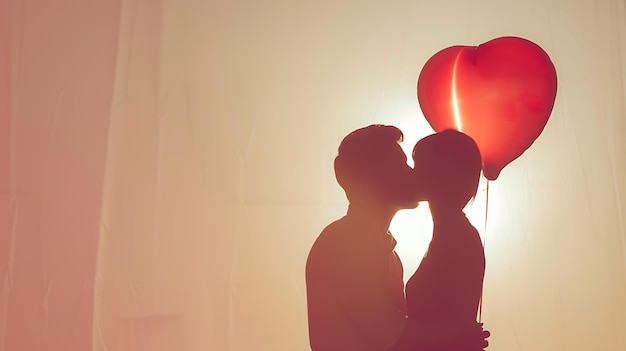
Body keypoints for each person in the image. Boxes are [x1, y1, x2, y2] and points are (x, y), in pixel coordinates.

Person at [305, 125, 489, 351]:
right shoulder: (342, 244)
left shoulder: (389, 253)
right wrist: (460, 331)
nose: (412, 172)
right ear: (373, 174)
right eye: (401, 165)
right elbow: (392, 337)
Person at [396, 129, 487, 351]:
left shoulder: (460, 238)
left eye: (419, 166)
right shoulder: (449, 234)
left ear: (438, 174)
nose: (411, 173)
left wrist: (396, 342)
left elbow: (460, 323)